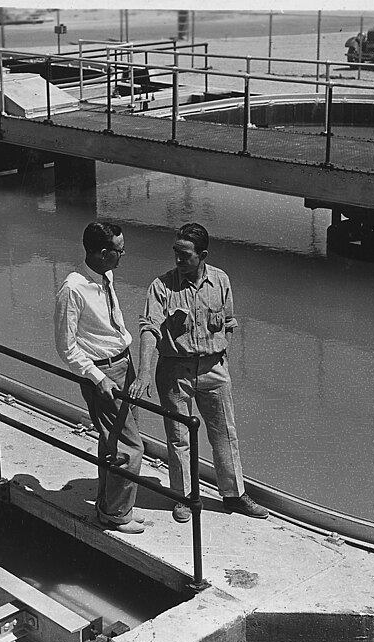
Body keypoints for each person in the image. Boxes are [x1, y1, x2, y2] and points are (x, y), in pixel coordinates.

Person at [130, 222, 268, 523]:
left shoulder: (221, 281)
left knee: (225, 433)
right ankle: (184, 496)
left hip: (213, 369)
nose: (178, 260)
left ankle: (234, 495)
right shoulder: (161, 286)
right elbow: (149, 329)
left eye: (185, 255)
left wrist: (221, 358)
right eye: (175, 253)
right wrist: (144, 373)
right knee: (179, 436)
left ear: (202, 255)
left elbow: (229, 322)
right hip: (174, 371)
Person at [54, 222, 146, 534]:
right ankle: (115, 515)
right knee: (129, 447)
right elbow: (66, 347)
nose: (124, 255)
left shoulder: (107, 275)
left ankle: (112, 504)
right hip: (103, 373)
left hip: (124, 363)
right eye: (119, 251)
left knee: (113, 441)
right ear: (103, 253)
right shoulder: (73, 289)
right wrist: (97, 378)